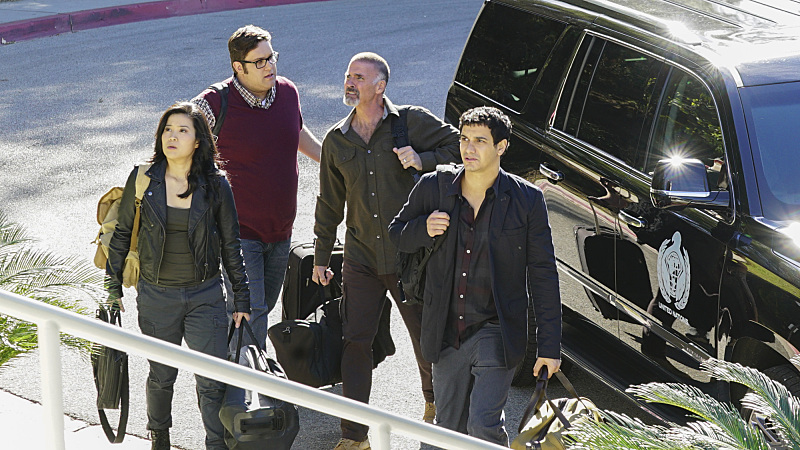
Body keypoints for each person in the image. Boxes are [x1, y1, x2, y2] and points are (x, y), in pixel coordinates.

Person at [388, 106, 562, 446]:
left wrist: (549, 347)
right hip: (445, 329)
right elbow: (397, 233)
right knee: (447, 428)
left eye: (480, 141)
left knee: (483, 426)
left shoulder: (527, 200)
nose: (468, 148)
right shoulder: (434, 186)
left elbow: (543, 274)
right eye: (464, 139)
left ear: (501, 147)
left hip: (496, 329)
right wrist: (423, 228)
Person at [312, 52, 460, 450]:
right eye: (348, 75)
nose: (350, 82)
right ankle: (353, 435)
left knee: (425, 338)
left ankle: (435, 406)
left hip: (409, 255)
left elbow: (460, 149)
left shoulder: (410, 122)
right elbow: (329, 203)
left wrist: (423, 159)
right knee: (355, 340)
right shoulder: (337, 140)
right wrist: (321, 257)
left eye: (359, 77)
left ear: (380, 86)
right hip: (361, 257)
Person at [105, 102, 251, 450]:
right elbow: (122, 233)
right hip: (157, 296)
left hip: (205, 296)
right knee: (161, 376)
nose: (173, 136)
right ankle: (160, 439)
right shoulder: (144, 178)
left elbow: (231, 244)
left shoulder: (216, 185)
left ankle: (215, 444)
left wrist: (241, 299)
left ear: (198, 141)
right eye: (168, 129)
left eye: (183, 130)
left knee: (211, 380)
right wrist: (112, 288)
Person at [192, 25, 321, 351]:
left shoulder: (288, 92)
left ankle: (224, 367)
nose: (270, 66)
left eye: (271, 57)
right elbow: (176, 140)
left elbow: (296, 132)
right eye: (260, 61)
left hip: (280, 230)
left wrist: (330, 160)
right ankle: (247, 382)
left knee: (257, 308)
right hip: (237, 233)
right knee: (251, 312)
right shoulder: (214, 103)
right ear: (239, 67)